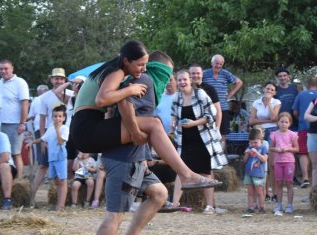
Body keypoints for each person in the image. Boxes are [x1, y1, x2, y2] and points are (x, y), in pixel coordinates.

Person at [71, 41, 220, 189]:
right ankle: (186, 175)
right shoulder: (117, 71)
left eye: (146, 64)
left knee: (153, 124)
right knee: (154, 124)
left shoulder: (112, 70)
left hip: (84, 128)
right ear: (126, 61)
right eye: (140, 64)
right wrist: (130, 91)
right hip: (87, 128)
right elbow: (102, 99)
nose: (144, 69)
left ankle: (148, 182)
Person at [87, 56, 172, 235]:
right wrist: (135, 133)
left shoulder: (142, 81)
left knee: (159, 193)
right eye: (168, 73)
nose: (168, 79)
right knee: (115, 214)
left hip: (136, 158)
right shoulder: (143, 80)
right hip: (123, 159)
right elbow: (125, 104)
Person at [171, 70, 228, 214]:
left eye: (184, 79)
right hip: (184, 141)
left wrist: (194, 123)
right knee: (180, 171)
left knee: (205, 172)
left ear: (190, 80)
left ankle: (209, 206)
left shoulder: (200, 94)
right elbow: (174, 115)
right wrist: (173, 123)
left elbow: (211, 115)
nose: (182, 82)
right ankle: (174, 204)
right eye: (179, 80)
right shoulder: (176, 98)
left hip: (203, 140)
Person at [30, 68, 73, 207]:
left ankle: (63, 202)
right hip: (48, 133)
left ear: (64, 80)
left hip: (66, 133)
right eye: (55, 78)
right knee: (43, 165)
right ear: (51, 80)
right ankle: (31, 197)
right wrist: (43, 139)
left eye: (61, 78)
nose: (58, 81)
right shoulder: (45, 97)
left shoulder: (71, 95)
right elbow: (42, 118)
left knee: (65, 165)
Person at [26, 105, 69, 211]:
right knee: (56, 181)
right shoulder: (50, 129)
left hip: (60, 157)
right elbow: (43, 139)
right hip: (52, 158)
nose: (57, 119)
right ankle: (58, 204)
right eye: (55, 116)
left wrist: (58, 130)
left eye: (59, 116)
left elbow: (60, 141)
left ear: (63, 118)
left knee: (62, 181)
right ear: (52, 117)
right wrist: (32, 142)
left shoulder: (64, 129)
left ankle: (61, 205)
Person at [0, 59, 30, 179]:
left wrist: (22, 123)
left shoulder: (20, 82)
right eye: (1, 69)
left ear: (12, 68)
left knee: (15, 153)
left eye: (6, 68)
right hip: (0, 124)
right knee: (3, 153)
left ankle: (19, 181)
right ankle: (5, 178)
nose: (3, 71)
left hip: (15, 124)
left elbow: (25, 104)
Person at [249, 81, 281, 201]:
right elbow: (251, 121)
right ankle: (264, 192)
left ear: (275, 92)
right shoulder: (256, 102)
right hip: (259, 132)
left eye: (272, 90)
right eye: (268, 89)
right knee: (261, 163)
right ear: (264, 89)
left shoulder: (276, 102)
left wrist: (269, 104)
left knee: (272, 164)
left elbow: (274, 118)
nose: (269, 91)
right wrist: (267, 120)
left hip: (272, 131)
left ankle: (275, 193)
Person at [202, 54, 243, 139]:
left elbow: (239, 82)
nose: (218, 66)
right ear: (211, 63)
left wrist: (230, 94)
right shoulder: (204, 73)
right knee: (206, 132)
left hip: (222, 108)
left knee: (222, 134)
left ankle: (221, 152)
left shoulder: (225, 73)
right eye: (216, 63)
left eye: (221, 64)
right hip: (208, 108)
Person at [292, 77, 317, 188]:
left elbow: (294, 112)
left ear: (307, 85)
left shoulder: (301, 94)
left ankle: (305, 178)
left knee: (303, 152)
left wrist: (301, 119)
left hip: (303, 126)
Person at [270, 112, 299, 216]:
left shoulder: (293, 134)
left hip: (289, 161)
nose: (284, 124)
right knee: (278, 182)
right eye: (281, 122)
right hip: (278, 161)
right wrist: (276, 149)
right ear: (278, 122)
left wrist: (288, 149)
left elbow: (297, 148)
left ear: (290, 123)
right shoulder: (274, 134)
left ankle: (290, 204)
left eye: (286, 122)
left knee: (289, 183)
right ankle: (278, 204)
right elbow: (271, 147)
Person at [243, 128, 268, 214]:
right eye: (251, 142)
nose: (253, 145)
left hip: (258, 173)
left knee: (259, 192)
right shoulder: (249, 148)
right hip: (249, 173)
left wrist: (257, 153)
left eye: (255, 142)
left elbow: (264, 159)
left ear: (261, 141)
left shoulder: (263, 148)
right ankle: (250, 207)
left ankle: (261, 207)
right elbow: (244, 161)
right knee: (250, 192)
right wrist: (247, 153)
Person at [189, 64, 222, 129]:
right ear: (189, 75)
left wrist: (217, 128)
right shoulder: (185, 89)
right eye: (193, 73)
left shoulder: (210, 89)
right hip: (189, 126)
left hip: (207, 127)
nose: (195, 75)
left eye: (198, 73)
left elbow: (218, 110)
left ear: (202, 74)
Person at [26, 84, 49, 165]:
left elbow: (31, 115)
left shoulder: (36, 100)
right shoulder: (50, 98)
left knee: (40, 148)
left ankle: (42, 164)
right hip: (49, 126)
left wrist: (21, 121)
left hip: (39, 127)